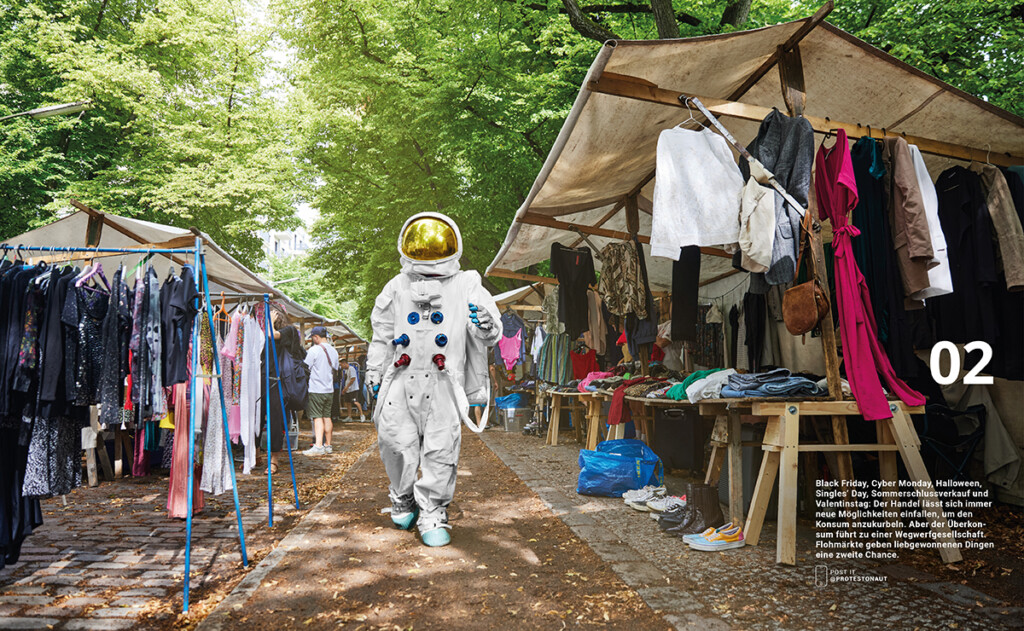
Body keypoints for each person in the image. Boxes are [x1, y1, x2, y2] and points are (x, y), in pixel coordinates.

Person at [366, 212, 500, 547]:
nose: (428, 250)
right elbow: (381, 334)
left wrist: (485, 323)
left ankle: (433, 511)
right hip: (401, 376)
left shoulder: (466, 282)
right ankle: (404, 496)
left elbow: (487, 328)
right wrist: (373, 369)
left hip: (444, 380)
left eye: (435, 244)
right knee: (394, 440)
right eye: (420, 244)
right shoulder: (397, 285)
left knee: (441, 448)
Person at [303, 326, 339, 456]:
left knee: (317, 418)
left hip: (316, 389)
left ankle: (318, 446)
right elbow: (336, 368)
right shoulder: (334, 351)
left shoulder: (314, 350)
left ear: (316, 337)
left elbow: (306, 366)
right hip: (329, 389)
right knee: (327, 417)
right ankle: (328, 445)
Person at [338, 357, 365, 422]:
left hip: (353, 389)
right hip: (348, 389)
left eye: (341, 364)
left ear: (344, 363)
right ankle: (349, 416)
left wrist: (346, 387)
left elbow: (353, 379)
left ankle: (362, 415)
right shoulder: (346, 370)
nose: (341, 366)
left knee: (355, 402)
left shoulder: (351, 369)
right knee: (348, 403)